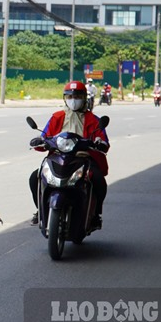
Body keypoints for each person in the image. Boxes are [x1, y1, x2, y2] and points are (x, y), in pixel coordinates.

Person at [28, 81, 110, 228]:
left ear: (84, 98)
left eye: (77, 96)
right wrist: (39, 141)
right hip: (58, 157)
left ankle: (96, 214)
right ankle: (39, 210)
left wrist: (100, 143)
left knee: (99, 180)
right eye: (70, 96)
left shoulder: (93, 120)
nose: (73, 99)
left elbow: (103, 141)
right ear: (64, 98)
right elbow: (46, 135)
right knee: (35, 177)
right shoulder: (57, 117)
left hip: (83, 159)